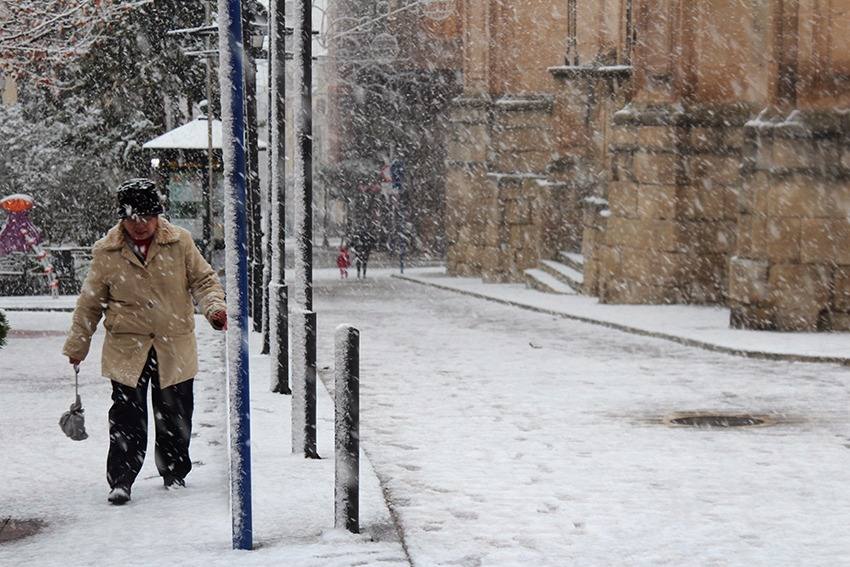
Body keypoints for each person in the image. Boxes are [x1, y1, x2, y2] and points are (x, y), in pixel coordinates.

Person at [62, 178, 227, 506]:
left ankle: (174, 472)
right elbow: (90, 303)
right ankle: (121, 479)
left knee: (175, 414)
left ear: (157, 215)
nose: (139, 225)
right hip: (127, 348)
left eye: (146, 217)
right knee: (126, 417)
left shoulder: (180, 242)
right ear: (122, 218)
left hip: (173, 345)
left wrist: (214, 308)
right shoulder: (107, 251)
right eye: (132, 218)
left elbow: (205, 280)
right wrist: (78, 345)